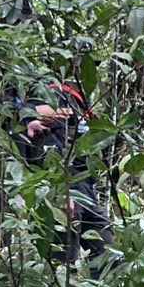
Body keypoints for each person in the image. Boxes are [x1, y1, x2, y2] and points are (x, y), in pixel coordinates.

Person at [19, 75, 115, 273]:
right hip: (63, 191)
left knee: (108, 253)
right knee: (63, 266)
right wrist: (61, 192)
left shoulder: (78, 101)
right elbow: (47, 148)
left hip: (84, 191)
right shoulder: (54, 94)